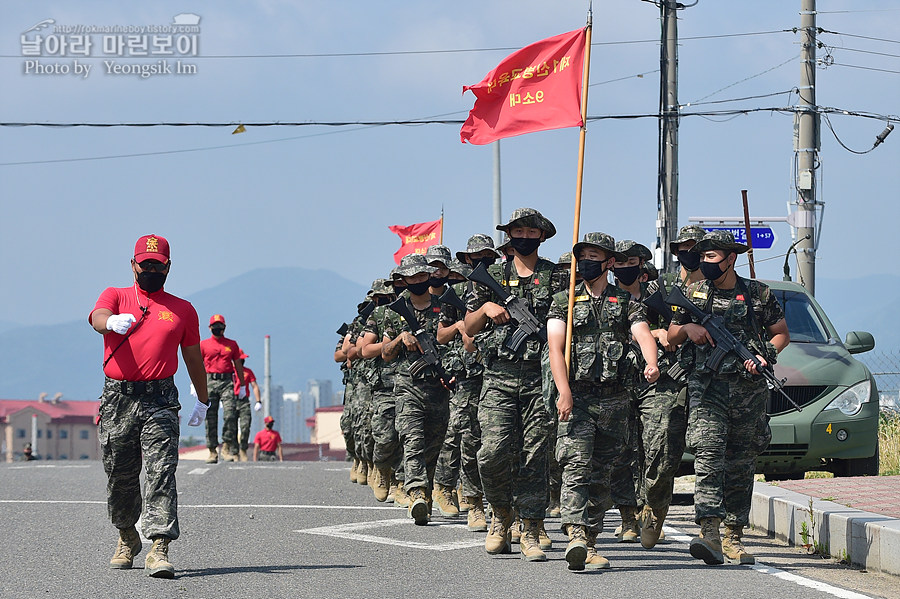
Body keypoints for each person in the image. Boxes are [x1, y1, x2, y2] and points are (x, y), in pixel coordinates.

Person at [89, 234, 209, 578]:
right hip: (118, 397)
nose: (151, 270)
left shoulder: (183, 309)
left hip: (160, 399)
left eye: (158, 265)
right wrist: (110, 322)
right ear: (133, 265)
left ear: (168, 267)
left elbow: (192, 357)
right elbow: (98, 316)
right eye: (145, 264)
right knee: (120, 475)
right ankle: (127, 536)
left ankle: (159, 547)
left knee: (161, 471)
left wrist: (203, 399)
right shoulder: (116, 295)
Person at [668, 230, 789, 566]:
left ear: (730, 258)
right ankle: (708, 532)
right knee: (708, 456)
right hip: (707, 390)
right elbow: (672, 335)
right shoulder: (693, 292)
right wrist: (689, 330)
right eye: (703, 257)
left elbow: (781, 335)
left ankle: (733, 535)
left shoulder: (757, 294)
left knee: (740, 462)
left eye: (712, 257)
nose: (706, 262)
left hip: (747, 392)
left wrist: (764, 356)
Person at [547, 232, 660, 571]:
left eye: (594, 256)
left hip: (614, 402)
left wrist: (651, 362)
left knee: (601, 473)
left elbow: (642, 334)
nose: (586, 263)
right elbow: (555, 347)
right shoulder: (564, 300)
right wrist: (563, 390)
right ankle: (576, 535)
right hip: (578, 398)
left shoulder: (625, 302)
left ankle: (591, 542)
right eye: (582, 257)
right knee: (575, 466)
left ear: (609, 262)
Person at [464, 208, 556, 561]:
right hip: (499, 378)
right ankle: (500, 515)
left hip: (539, 379)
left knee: (535, 456)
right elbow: (469, 329)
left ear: (542, 236)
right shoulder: (490, 276)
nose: (524, 237)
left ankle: (530, 527)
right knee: (492, 453)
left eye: (531, 232)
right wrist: (486, 307)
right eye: (518, 231)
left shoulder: (558, 277)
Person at [632, 224, 706, 549]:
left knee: (711, 452)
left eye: (693, 246)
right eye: (681, 248)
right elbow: (638, 318)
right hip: (672, 378)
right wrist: (660, 333)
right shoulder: (663, 285)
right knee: (662, 452)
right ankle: (654, 509)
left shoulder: (722, 287)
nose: (686, 253)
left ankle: (713, 528)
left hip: (710, 380)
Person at [381, 253, 451, 526]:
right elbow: (386, 353)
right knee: (412, 439)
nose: (419, 281)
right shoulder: (395, 311)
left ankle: (427, 494)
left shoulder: (444, 306)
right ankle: (417, 492)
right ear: (404, 281)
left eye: (423, 276)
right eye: (413, 278)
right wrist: (401, 338)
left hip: (439, 386)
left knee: (433, 444)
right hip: (408, 386)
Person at [435, 248, 491, 531]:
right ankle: (460, 495)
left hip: (494, 372)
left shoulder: (499, 286)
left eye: (488, 258)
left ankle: (495, 500)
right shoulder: (456, 293)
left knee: (494, 443)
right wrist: (460, 326)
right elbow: (441, 336)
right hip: (466, 376)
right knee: (462, 437)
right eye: (476, 258)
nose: (482, 263)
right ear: (466, 260)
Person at [608, 239, 654, 543]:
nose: (626, 268)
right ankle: (627, 516)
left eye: (631, 263)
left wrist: (662, 333)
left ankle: (650, 515)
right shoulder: (607, 300)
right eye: (620, 263)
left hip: (653, 384)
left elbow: (676, 331)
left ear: (642, 268)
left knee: (653, 451)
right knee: (621, 452)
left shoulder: (659, 300)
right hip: (617, 384)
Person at [232, 350, 261, 461]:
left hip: (244, 401)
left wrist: (258, 401)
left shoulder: (248, 372)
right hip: (231, 401)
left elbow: (254, 386)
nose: (242, 361)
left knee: (245, 426)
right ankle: (235, 452)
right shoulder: (229, 372)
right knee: (232, 427)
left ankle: (243, 449)